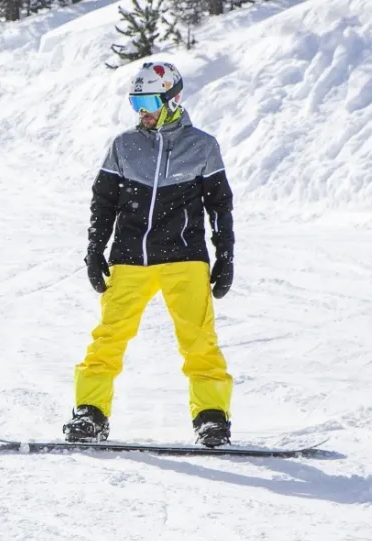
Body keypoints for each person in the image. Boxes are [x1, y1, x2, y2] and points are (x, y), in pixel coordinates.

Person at [65, 61, 235, 448]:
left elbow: (220, 205)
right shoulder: (124, 145)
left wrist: (225, 255)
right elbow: (104, 201)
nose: (141, 110)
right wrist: (95, 249)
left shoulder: (202, 147)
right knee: (107, 339)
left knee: (199, 342)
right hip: (130, 258)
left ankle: (211, 418)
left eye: (148, 101)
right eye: (135, 101)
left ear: (172, 100)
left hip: (185, 258)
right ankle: (90, 413)